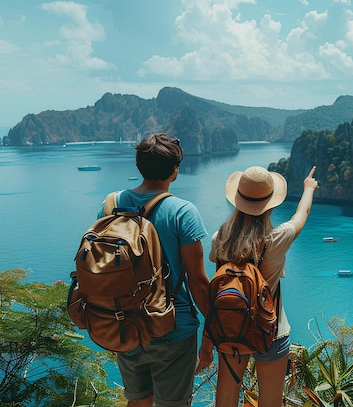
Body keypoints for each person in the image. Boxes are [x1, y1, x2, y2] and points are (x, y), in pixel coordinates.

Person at [97, 133, 212, 407]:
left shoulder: (111, 204)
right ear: (175, 170)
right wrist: (213, 333)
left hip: (126, 323)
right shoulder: (182, 211)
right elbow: (197, 280)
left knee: (137, 402)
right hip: (172, 327)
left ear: (139, 166)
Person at [198, 165, 319, 407]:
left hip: (232, 327)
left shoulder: (218, 239)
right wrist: (309, 187)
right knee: (271, 402)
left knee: (226, 400)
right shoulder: (277, 238)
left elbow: (220, 288)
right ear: (270, 205)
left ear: (237, 201)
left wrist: (208, 342)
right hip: (271, 331)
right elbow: (301, 215)